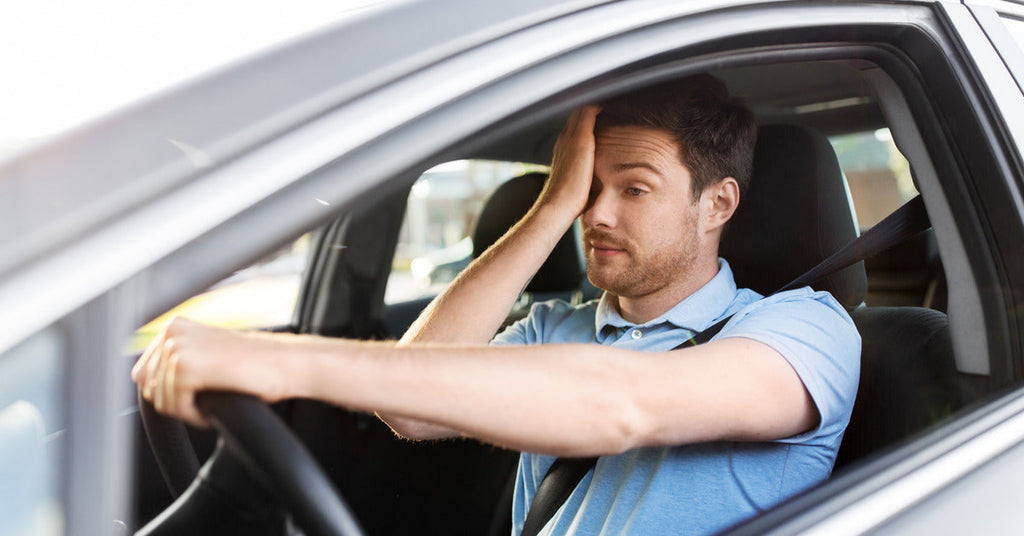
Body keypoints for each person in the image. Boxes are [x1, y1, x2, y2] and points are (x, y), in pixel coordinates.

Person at [133, 74, 860, 535]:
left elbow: (622, 406)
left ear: (717, 204)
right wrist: (550, 208)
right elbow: (408, 403)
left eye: (633, 189)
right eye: (587, 188)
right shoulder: (556, 327)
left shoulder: (803, 330)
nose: (597, 215)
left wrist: (280, 360)